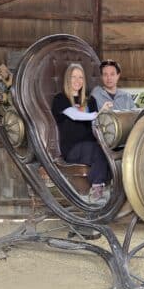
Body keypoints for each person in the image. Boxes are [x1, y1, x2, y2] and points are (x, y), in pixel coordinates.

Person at [51, 63, 112, 202]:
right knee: (96, 149)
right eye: (73, 77)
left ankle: (109, 187)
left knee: (106, 148)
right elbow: (74, 115)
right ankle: (97, 190)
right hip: (72, 148)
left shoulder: (90, 101)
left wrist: (103, 115)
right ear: (67, 79)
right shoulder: (60, 99)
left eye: (80, 77)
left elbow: (97, 123)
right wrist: (98, 113)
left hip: (91, 145)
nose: (77, 80)